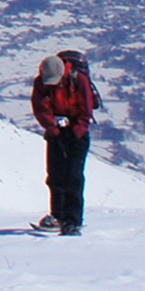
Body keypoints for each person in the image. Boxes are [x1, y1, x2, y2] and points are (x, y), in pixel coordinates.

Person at [30, 50, 101, 234]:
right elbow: (40, 107)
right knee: (55, 175)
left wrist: (76, 131)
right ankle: (58, 216)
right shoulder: (42, 82)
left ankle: (73, 220)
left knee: (74, 176)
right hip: (56, 132)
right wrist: (53, 129)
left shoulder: (79, 81)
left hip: (77, 132)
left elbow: (86, 112)